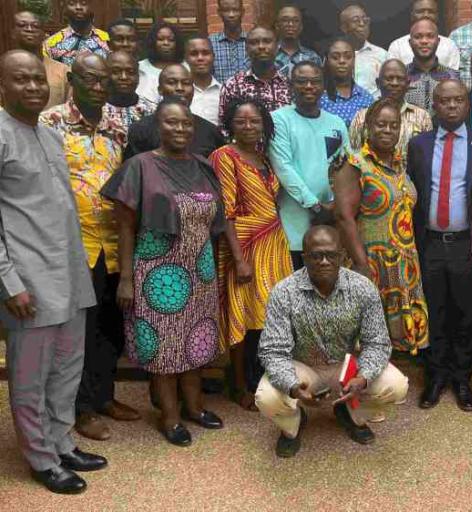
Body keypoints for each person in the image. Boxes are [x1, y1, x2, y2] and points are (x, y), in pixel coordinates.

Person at [0, 49, 104, 495]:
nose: (33, 87)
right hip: (29, 280)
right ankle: (41, 458)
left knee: (67, 369)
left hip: (70, 274)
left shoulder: (49, 135)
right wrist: (9, 281)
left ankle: (61, 441)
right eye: (21, 80)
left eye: (38, 80)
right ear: (3, 86)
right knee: (30, 375)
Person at [102, 96, 227, 446]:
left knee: (196, 344)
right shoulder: (140, 166)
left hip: (200, 272)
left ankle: (195, 407)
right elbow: (125, 227)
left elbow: (217, 221)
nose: (180, 128)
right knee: (164, 348)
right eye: (171, 122)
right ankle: (170, 418)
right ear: (158, 126)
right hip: (158, 275)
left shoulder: (203, 166)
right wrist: (126, 279)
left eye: (186, 122)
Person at [40, 53, 138, 442]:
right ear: (72, 81)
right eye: (90, 80)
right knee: (78, 330)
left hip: (116, 242)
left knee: (111, 326)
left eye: (103, 81)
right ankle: (79, 408)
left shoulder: (118, 125)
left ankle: (105, 397)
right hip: (73, 242)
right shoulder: (52, 122)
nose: (98, 86)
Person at [255, 225, 409, 458]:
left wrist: (363, 377)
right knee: (266, 397)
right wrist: (293, 387)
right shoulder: (284, 292)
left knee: (397, 386)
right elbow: (272, 351)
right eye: (316, 256)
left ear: (343, 256)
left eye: (332, 255)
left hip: (346, 368)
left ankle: (351, 414)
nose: (324, 261)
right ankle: (292, 426)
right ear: (304, 258)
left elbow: (377, 343)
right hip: (303, 368)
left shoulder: (363, 289)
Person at [404, 81, 472, 410]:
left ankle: (461, 379)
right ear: (435, 106)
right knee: (434, 312)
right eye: (444, 101)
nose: (452, 106)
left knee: (466, 313)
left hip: (466, 244)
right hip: (428, 244)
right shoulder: (419, 145)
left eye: (458, 100)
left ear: (467, 104)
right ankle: (436, 377)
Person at [211, 98, 292, 411]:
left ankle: (264, 378)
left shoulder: (264, 157)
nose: (248, 126)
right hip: (243, 246)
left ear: (264, 125)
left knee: (267, 316)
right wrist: (239, 259)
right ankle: (238, 384)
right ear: (230, 124)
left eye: (254, 121)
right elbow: (226, 212)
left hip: (273, 243)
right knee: (241, 315)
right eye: (241, 121)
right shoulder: (224, 156)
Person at [335, 97, 428, 356]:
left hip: (400, 264)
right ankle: (351, 394)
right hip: (369, 262)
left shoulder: (399, 166)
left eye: (393, 125)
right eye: (381, 124)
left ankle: (383, 391)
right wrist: (362, 265)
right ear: (368, 127)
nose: (387, 130)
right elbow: (344, 216)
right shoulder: (354, 163)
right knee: (361, 340)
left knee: (386, 343)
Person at [268, 62, 348, 268]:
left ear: (323, 86)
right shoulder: (279, 120)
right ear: (291, 86)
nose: (309, 86)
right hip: (293, 224)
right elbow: (283, 167)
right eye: (301, 81)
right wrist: (315, 205)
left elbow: (345, 169)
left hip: (330, 221)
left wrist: (334, 206)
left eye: (315, 81)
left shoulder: (337, 123)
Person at [125, 64, 225, 160]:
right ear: (160, 89)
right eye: (172, 82)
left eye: (186, 83)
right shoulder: (140, 130)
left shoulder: (211, 132)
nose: (179, 88)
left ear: (193, 90)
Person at [349, 59, 433, 159]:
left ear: (408, 83)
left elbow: (427, 155)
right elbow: (354, 155)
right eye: (389, 78)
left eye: (400, 79)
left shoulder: (422, 117)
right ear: (378, 83)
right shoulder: (362, 117)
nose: (394, 83)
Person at [218, 26, 291, 130]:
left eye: (267, 41)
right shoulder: (233, 85)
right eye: (254, 42)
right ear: (246, 49)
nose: (261, 46)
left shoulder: (289, 84)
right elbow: (224, 127)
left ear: (277, 46)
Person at [10, 11, 70, 110]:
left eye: (35, 26)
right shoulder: (4, 70)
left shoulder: (64, 72)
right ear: (12, 32)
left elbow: (70, 112)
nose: (29, 29)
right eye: (22, 25)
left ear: (45, 34)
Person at [404, 19, 460, 114]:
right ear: (410, 42)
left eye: (430, 36)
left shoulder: (454, 77)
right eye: (418, 37)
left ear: (438, 41)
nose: (424, 41)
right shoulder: (401, 76)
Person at [319, 37, 374, 126]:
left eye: (348, 57)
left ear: (354, 59)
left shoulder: (366, 98)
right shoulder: (318, 96)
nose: (342, 61)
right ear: (327, 60)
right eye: (335, 57)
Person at [339, 3, 387, 98]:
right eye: (356, 21)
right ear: (344, 28)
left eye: (365, 20)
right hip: (343, 110)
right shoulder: (335, 56)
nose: (362, 24)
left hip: (374, 109)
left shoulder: (382, 55)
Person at [42, 0, 109, 66]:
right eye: (71, 3)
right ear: (65, 8)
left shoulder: (108, 40)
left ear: (92, 7)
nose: (78, 7)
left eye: (84, 3)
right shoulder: (50, 44)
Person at [104, 51, 155, 133]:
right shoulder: (95, 110)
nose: (124, 77)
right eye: (116, 72)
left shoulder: (151, 112)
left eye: (130, 72)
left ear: (138, 76)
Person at [137, 21, 185, 105]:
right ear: (152, 42)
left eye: (171, 40)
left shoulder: (185, 68)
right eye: (160, 39)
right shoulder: (139, 68)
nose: (166, 43)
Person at [275, 4, 322, 78]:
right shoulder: (268, 55)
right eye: (285, 20)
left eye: (296, 20)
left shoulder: (312, 57)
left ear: (301, 27)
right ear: (277, 26)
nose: (290, 24)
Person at [208, 0, 249, 84]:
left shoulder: (253, 42)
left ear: (242, 12)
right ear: (219, 13)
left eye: (235, 10)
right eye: (226, 10)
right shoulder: (210, 43)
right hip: (218, 95)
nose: (231, 15)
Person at [185, 36, 221, 126]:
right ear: (186, 59)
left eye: (205, 53)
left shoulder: (224, 93)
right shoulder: (179, 93)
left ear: (213, 57)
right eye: (194, 54)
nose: (200, 58)